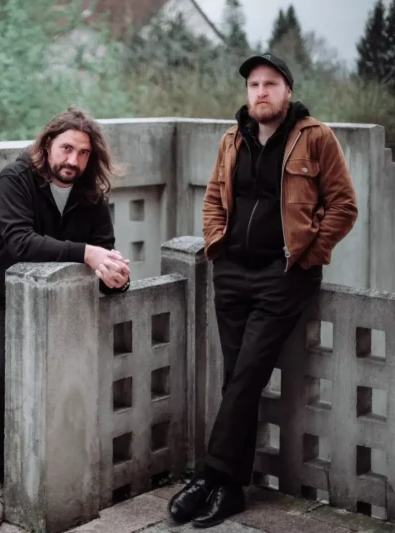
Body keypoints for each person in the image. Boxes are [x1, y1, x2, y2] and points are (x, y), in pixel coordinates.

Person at [168, 53, 358, 528]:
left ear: (287, 90)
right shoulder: (233, 138)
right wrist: (217, 246)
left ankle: (211, 477)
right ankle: (229, 487)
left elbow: (344, 205)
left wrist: (307, 256)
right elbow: (214, 197)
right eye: (253, 84)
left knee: (246, 375)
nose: (261, 92)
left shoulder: (315, 138)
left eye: (270, 83)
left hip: (283, 276)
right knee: (239, 378)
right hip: (232, 273)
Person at [0, 106, 131, 526]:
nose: (72, 161)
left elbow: (102, 248)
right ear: (47, 145)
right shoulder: (15, 178)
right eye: (66, 149)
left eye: (82, 153)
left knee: (74, 379)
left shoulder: (92, 192)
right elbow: (20, 242)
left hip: (59, 306)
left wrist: (115, 275)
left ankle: (73, 474)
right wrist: (87, 254)